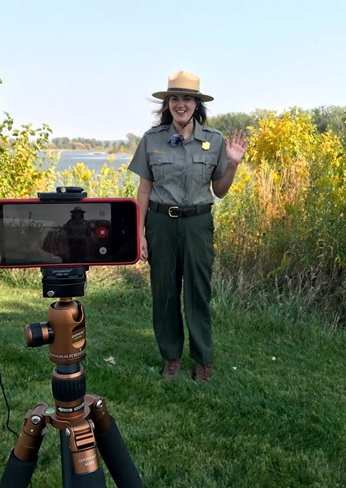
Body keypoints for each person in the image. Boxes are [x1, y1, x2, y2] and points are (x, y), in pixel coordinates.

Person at [128, 70, 247, 383]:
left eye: (187, 98)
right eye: (175, 98)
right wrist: (139, 233)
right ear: (168, 104)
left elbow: (219, 191)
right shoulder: (152, 140)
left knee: (197, 292)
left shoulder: (215, 141)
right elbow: (143, 190)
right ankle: (171, 357)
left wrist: (232, 164)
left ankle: (203, 359)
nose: (181, 104)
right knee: (164, 293)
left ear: (197, 103)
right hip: (160, 223)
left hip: (197, 224)